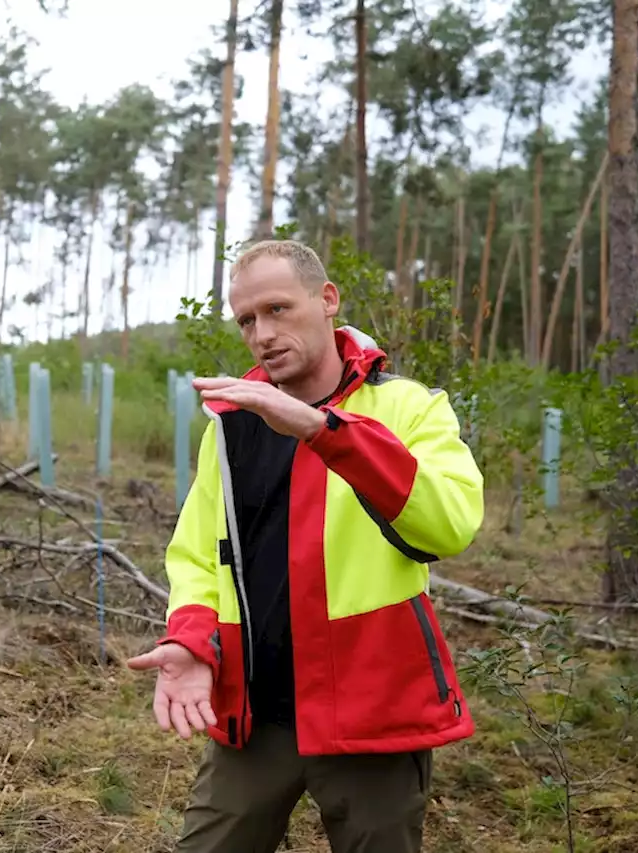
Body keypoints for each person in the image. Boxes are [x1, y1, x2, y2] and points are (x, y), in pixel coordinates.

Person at [126, 239, 485, 853]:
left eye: (277, 309)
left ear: (326, 301)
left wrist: (326, 432)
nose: (262, 333)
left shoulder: (408, 407)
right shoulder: (233, 424)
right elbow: (195, 554)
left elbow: (448, 524)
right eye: (246, 320)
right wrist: (190, 639)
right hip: (255, 710)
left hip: (373, 707)